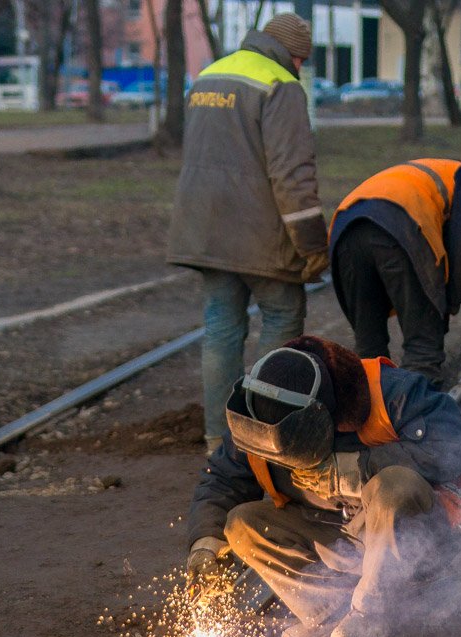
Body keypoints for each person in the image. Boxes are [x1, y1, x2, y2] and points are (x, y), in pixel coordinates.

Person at [184, 335, 461, 637]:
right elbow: (222, 479)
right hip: (341, 535)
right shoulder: (257, 417)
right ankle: (329, 616)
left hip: (420, 538)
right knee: (241, 524)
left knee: (395, 485)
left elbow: (457, 448)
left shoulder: (391, 392)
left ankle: (372, 615)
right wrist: (205, 545)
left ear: (321, 418)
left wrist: (360, 467)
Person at [167, 13, 330, 455]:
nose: (300, 67)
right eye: (301, 60)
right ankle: (263, 435)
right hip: (261, 235)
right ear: (294, 55)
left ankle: (219, 441)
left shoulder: (209, 76)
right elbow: (293, 175)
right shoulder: (281, 84)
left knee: (221, 327)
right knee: (283, 315)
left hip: (205, 228)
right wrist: (312, 245)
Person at [328, 159, 461, 387]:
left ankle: (370, 403)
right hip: (400, 224)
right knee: (422, 348)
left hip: (344, 230)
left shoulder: (418, 175)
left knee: (368, 346)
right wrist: (449, 301)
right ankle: (416, 403)